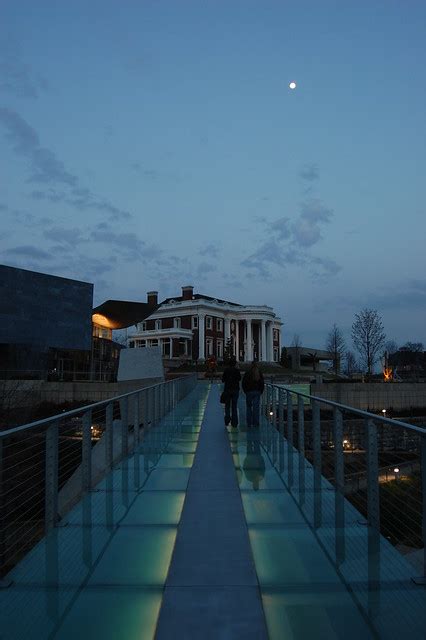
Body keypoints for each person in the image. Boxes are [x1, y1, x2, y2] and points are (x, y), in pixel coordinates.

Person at [242, 361, 264, 428]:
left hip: (249, 392)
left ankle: (249, 423)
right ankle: (256, 423)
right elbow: (262, 383)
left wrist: (245, 391)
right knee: (256, 408)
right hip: (257, 392)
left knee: (249, 407)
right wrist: (261, 391)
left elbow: (244, 382)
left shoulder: (247, 372)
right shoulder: (259, 372)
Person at [221, 356, 241, 428]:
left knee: (227, 405)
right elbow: (239, 378)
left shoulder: (226, 370)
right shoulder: (236, 370)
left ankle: (227, 419)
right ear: (235, 364)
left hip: (227, 390)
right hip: (235, 390)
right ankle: (234, 422)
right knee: (234, 406)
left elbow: (223, 379)